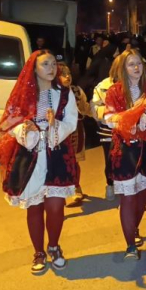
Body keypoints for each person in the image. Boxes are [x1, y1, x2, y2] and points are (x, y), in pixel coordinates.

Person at [0, 50, 78, 274]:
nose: (51, 68)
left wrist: (54, 125)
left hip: (57, 152)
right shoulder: (24, 94)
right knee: (34, 206)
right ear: (33, 68)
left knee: (56, 206)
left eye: (53, 63)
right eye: (45, 64)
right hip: (30, 154)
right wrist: (25, 129)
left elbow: (71, 122)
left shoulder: (64, 93)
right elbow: (10, 122)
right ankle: (38, 251)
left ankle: (54, 246)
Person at [104, 49, 146, 260]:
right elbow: (110, 118)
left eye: (139, 63)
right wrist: (132, 115)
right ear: (123, 68)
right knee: (128, 198)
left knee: (141, 198)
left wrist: (143, 118)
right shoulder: (114, 91)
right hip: (124, 149)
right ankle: (130, 244)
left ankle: (134, 228)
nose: (136, 67)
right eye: (131, 64)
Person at [91, 56, 125, 201]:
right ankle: (110, 184)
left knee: (128, 158)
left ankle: (126, 187)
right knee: (110, 159)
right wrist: (111, 114)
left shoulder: (134, 83)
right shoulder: (103, 85)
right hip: (108, 129)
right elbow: (95, 107)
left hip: (129, 129)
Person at [58, 64, 90, 205]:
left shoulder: (76, 91)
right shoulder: (50, 93)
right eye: (63, 74)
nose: (67, 76)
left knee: (74, 161)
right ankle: (59, 192)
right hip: (58, 131)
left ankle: (76, 187)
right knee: (58, 162)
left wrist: (101, 113)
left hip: (75, 130)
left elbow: (85, 107)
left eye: (69, 73)